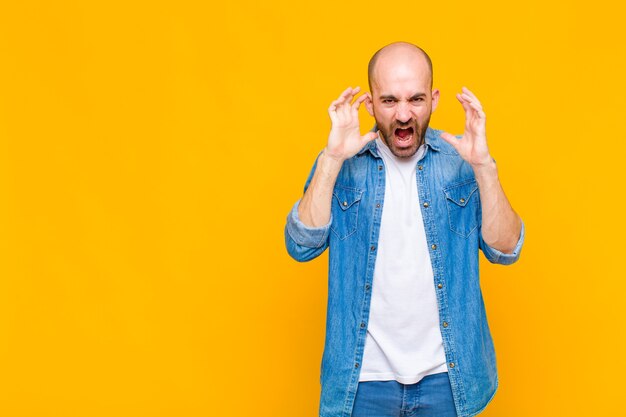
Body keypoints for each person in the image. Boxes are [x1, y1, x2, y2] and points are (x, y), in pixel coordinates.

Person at [284, 42, 525, 417]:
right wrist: (331, 158)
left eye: (415, 99)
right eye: (389, 100)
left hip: (449, 379)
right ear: (370, 104)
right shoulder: (343, 162)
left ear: (434, 99)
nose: (403, 114)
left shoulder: (460, 161)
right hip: (362, 382)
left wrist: (484, 167)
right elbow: (301, 245)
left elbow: (506, 249)